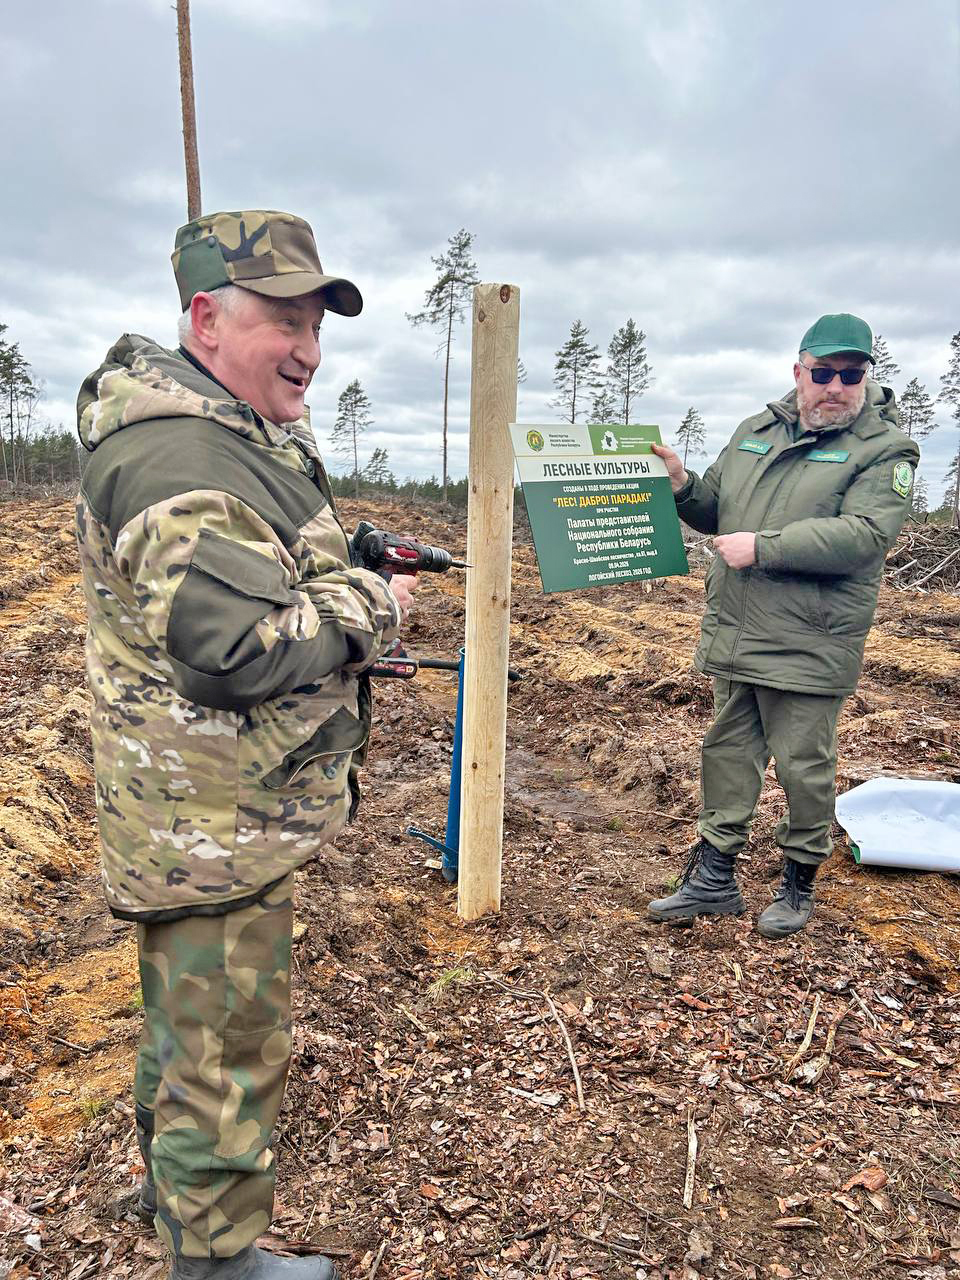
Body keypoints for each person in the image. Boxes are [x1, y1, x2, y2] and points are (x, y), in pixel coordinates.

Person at [75, 210, 414, 1279]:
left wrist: (339, 553)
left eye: (316, 324)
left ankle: (172, 1189)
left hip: (207, 806)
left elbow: (263, 555)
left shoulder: (230, 428)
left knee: (188, 1015)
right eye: (283, 320)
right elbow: (234, 651)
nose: (307, 348)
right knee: (227, 1040)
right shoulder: (182, 456)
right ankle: (215, 1257)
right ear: (206, 319)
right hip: (211, 818)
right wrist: (372, 601)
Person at [647, 313, 919, 940]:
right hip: (739, 628)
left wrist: (763, 547)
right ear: (799, 371)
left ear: (865, 376)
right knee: (727, 752)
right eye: (823, 373)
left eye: (850, 374)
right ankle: (714, 877)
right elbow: (716, 510)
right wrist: (683, 485)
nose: (836, 386)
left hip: (811, 639)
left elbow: (864, 536)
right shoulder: (755, 430)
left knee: (803, 765)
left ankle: (798, 880)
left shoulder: (885, 449)